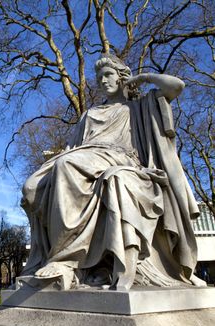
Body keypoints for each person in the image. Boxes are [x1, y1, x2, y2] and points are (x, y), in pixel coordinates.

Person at [21, 54, 205, 290]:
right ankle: (81, 262)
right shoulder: (89, 115)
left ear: (121, 77)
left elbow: (177, 86)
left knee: (66, 166)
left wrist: (143, 77)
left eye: (108, 75)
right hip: (86, 156)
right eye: (99, 78)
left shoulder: (137, 107)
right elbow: (73, 148)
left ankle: (65, 260)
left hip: (120, 158)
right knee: (32, 187)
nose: (103, 81)